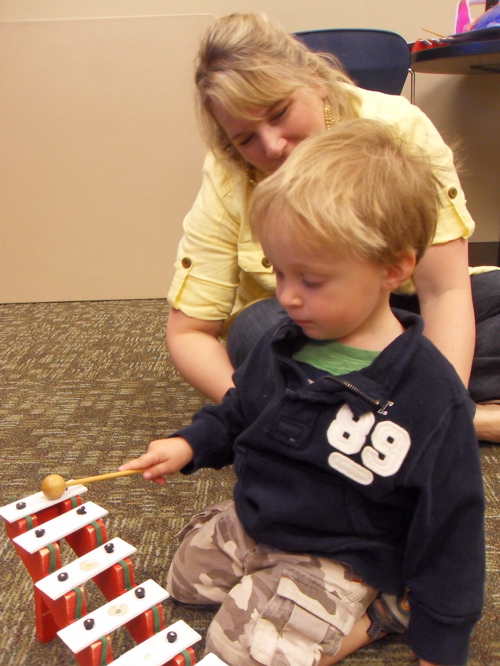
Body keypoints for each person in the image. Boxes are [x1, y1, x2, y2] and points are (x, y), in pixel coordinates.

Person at [122, 120, 485, 666]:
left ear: (393, 269)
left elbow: (453, 527)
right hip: (263, 515)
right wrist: (190, 443)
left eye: (310, 281)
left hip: (344, 551)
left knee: (237, 653)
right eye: (279, 272)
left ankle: (385, 614)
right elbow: (240, 409)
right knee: (182, 582)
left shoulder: (432, 397)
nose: (287, 298)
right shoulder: (283, 342)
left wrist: (443, 637)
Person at [166, 12, 500, 442]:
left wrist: (437, 405)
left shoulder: (399, 127)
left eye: (280, 112)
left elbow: (444, 291)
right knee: (258, 331)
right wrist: (253, 408)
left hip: (405, 317)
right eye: (246, 139)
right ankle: (463, 419)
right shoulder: (228, 172)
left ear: (315, 78)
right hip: (313, 330)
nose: (271, 146)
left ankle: (363, 419)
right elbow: (190, 332)